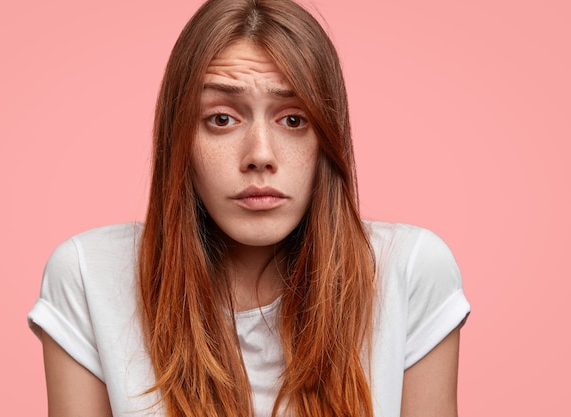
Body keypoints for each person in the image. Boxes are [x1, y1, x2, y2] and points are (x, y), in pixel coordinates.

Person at [28, 0, 471, 416]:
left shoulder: (410, 271)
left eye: (293, 119)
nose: (260, 154)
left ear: (327, 139)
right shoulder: (89, 275)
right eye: (222, 118)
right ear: (180, 138)